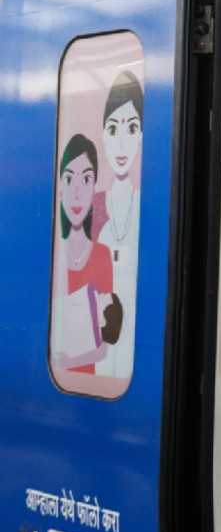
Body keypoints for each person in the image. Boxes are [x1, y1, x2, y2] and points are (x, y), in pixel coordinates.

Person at [94, 70, 143, 379]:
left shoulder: (148, 206)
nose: (122, 143)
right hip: (98, 330)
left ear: (141, 135)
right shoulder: (92, 206)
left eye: (132, 128)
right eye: (113, 130)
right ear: (102, 136)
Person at [55, 134, 114, 375]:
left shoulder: (102, 256)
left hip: (86, 386)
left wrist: (66, 362)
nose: (77, 193)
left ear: (94, 189)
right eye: (69, 179)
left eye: (86, 179)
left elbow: (106, 344)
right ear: (59, 189)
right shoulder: (53, 256)